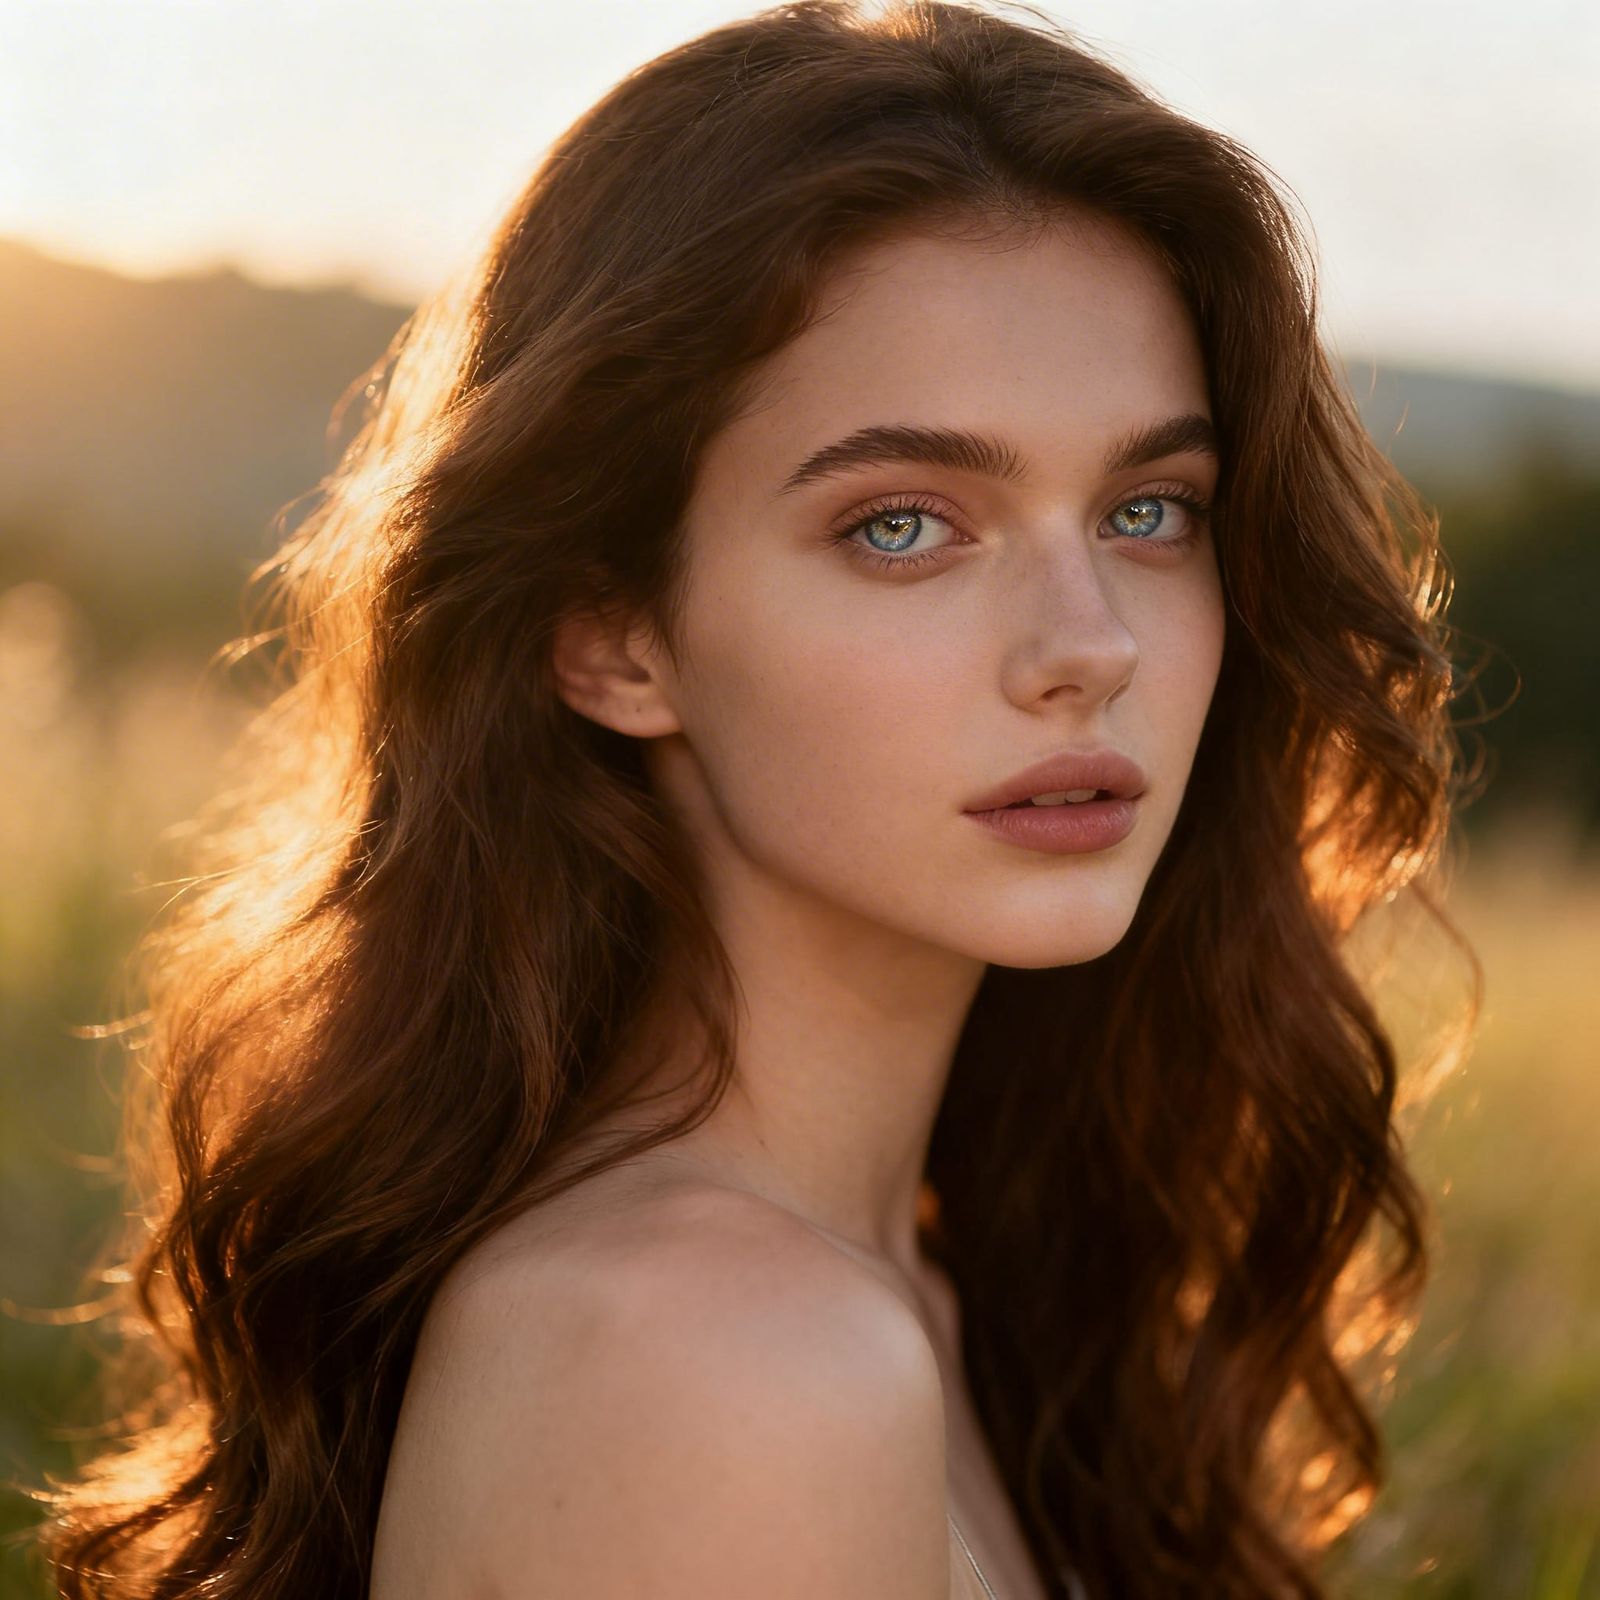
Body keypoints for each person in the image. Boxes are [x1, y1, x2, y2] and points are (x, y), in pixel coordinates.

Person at [43, 2, 1473, 1596]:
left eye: (1150, 508)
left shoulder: (922, 1282)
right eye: (904, 527)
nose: (1091, 645)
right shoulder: (717, 1354)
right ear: (612, 631)